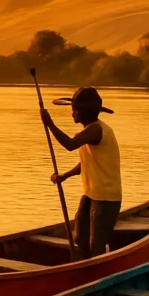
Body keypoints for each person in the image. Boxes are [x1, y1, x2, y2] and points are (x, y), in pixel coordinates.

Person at [40, 87, 122, 258]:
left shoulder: (96, 130)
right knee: (79, 237)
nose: (72, 114)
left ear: (85, 111)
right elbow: (86, 163)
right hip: (91, 194)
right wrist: (65, 176)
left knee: (96, 243)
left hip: (106, 197)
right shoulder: (89, 131)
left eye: (75, 110)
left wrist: (50, 124)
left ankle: (98, 273)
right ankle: (88, 265)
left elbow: (69, 144)